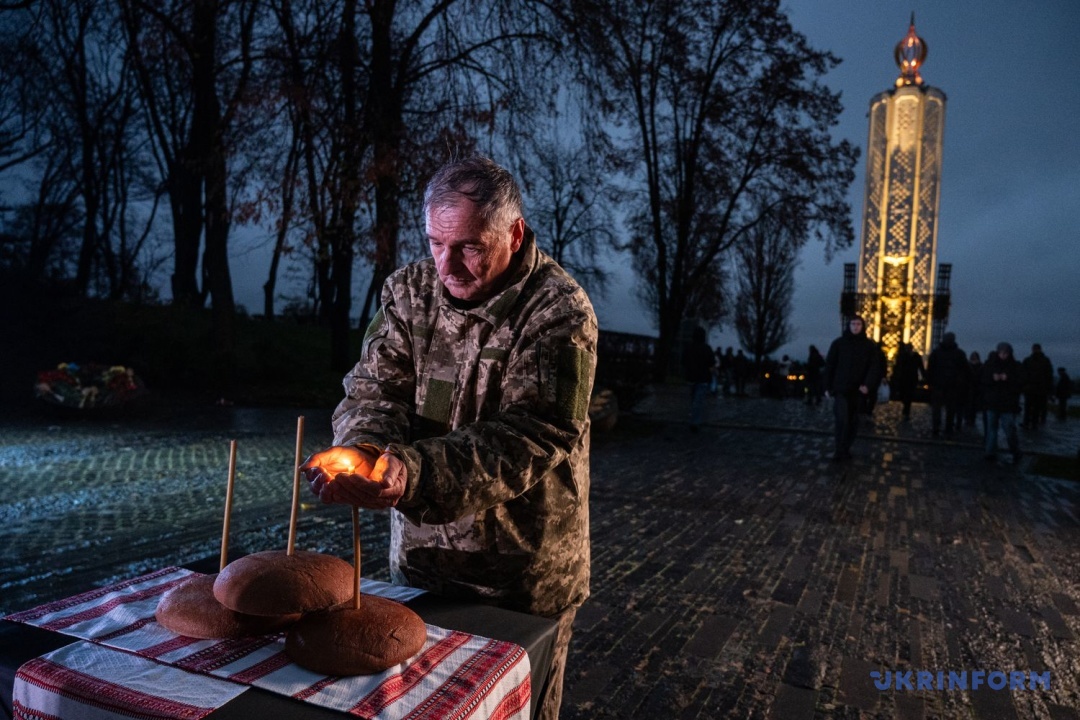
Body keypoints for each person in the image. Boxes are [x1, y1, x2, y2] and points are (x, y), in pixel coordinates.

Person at [299, 156, 597, 720]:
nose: (447, 264)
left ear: (514, 234)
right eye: (436, 243)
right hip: (421, 569)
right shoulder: (408, 292)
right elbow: (374, 391)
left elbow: (532, 432)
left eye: (469, 247)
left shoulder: (558, 310)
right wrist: (365, 451)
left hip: (521, 582)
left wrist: (414, 473)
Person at [824, 315, 883, 461]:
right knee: (842, 419)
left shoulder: (869, 346)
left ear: (862, 326)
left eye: (858, 324)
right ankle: (839, 450)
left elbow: (874, 367)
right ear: (848, 325)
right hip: (841, 389)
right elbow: (830, 365)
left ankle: (845, 448)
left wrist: (867, 385)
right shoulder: (838, 344)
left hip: (858, 390)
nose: (855, 327)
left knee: (853, 422)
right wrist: (827, 386)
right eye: (853, 324)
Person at [983, 341, 1023, 464]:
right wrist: (992, 378)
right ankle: (990, 452)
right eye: (1001, 353)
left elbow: (1020, 382)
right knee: (992, 429)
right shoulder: (990, 365)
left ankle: (1015, 451)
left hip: (1007, 404)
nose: (1003, 355)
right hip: (993, 402)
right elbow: (983, 380)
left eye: (1005, 353)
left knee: (1009, 429)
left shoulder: (1015, 366)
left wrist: (1008, 378)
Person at [926, 331, 968, 437]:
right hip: (951, 386)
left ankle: (936, 428)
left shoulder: (936, 353)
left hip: (940, 385)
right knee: (950, 409)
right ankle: (948, 428)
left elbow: (930, 369)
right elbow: (965, 370)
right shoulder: (959, 353)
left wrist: (929, 382)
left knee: (938, 409)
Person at [684, 326, 716, 430]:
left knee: (693, 399)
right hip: (703, 378)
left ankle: (694, 418)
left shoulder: (689, 347)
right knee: (698, 400)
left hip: (691, 377)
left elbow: (683, 361)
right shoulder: (707, 348)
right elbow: (712, 363)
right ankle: (695, 421)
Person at [1021, 343, 1054, 429]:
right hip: (1032, 388)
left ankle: (1032, 423)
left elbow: (1049, 375)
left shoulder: (1044, 361)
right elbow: (1023, 374)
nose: (1035, 350)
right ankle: (1028, 423)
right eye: (1034, 349)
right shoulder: (1029, 360)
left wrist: (1049, 389)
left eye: (1036, 349)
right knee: (1029, 407)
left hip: (1039, 388)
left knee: (1036, 407)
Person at [891, 342, 925, 420]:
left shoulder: (909, 356)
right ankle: (906, 407)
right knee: (905, 394)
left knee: (908, 394)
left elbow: (898, 367)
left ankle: (906, 409)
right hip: (906, 378)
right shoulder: (905, 356)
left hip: (909, 378)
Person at [965, 351, 985, 432]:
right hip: (973, 388)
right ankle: (970, 420)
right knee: (971, 406)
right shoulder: (981, 366)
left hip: (972, 388)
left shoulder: (968, 366)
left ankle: (969, 420)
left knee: (971, 406)